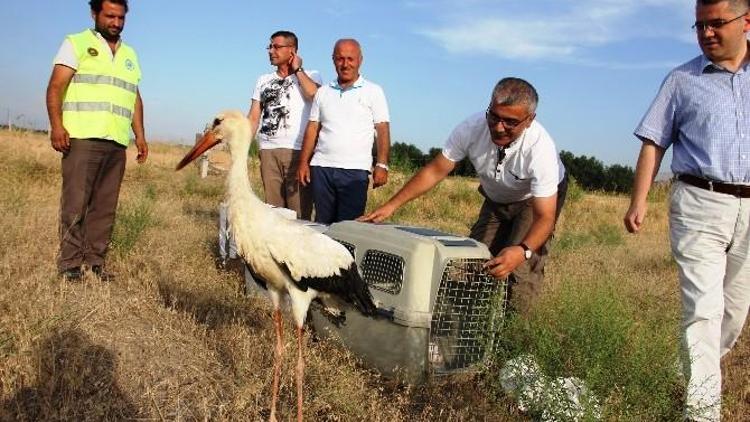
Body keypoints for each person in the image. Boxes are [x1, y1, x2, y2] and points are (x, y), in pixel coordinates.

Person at [623, 1, 750, 420]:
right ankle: (702, 412)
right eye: (699, 25)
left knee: (733, 313)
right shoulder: (682, 80)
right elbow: (653, 142)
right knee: (703, 310)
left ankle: (684, 376)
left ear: (745, 21)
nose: (706, 32)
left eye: (716, 23)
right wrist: (639, 199)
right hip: (699, 202)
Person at [360, 77, 567, 314]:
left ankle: (516, 342)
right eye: (494, 116)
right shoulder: (470, 128)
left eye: (510, 122)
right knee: (471, 261)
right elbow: (436, 170)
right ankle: (457, 328)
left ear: (530, 120)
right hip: (496, 198)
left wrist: (523, 251)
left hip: (534, 201)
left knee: (518, 271)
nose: (499, 127)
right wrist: (390, 206)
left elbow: (545, 217)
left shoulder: (541, 150)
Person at [46, 0, 147, 282]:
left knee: (105, 206)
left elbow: (133, 96)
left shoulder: (129, 54)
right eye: (110, 16)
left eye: (121, 17)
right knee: (75, 204)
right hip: (81, 136)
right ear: (95, 14)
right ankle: (69, 265)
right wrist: (57, 126)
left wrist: (139, 134)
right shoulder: (76, 43)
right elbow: (56, 86)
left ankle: (95, 262)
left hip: (116, 140)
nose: (116, 22)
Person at [296, 38, 391, 224]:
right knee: (322, 223)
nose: (345, 64)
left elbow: (383, 129)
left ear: (360, 60)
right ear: (333, 60)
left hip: (355, 171)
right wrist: (303, 163)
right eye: (340, 59)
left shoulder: (373, 91)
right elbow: (313, 128)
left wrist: (382, 164)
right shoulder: (323, 92)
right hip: (322, 168)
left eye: (350, 59)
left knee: (348, 227)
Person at [248, 30, 322, 220]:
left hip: (297, 151)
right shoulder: (263, 80)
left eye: (277, 46)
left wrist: (298, 70)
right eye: (270, 46)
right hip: (268, 151)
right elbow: (254, 117)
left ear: (292, 51)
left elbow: (315, 96)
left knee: (299, 211)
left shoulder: (312, 75)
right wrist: (245, 146)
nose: (271, 51)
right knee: (273, 211)